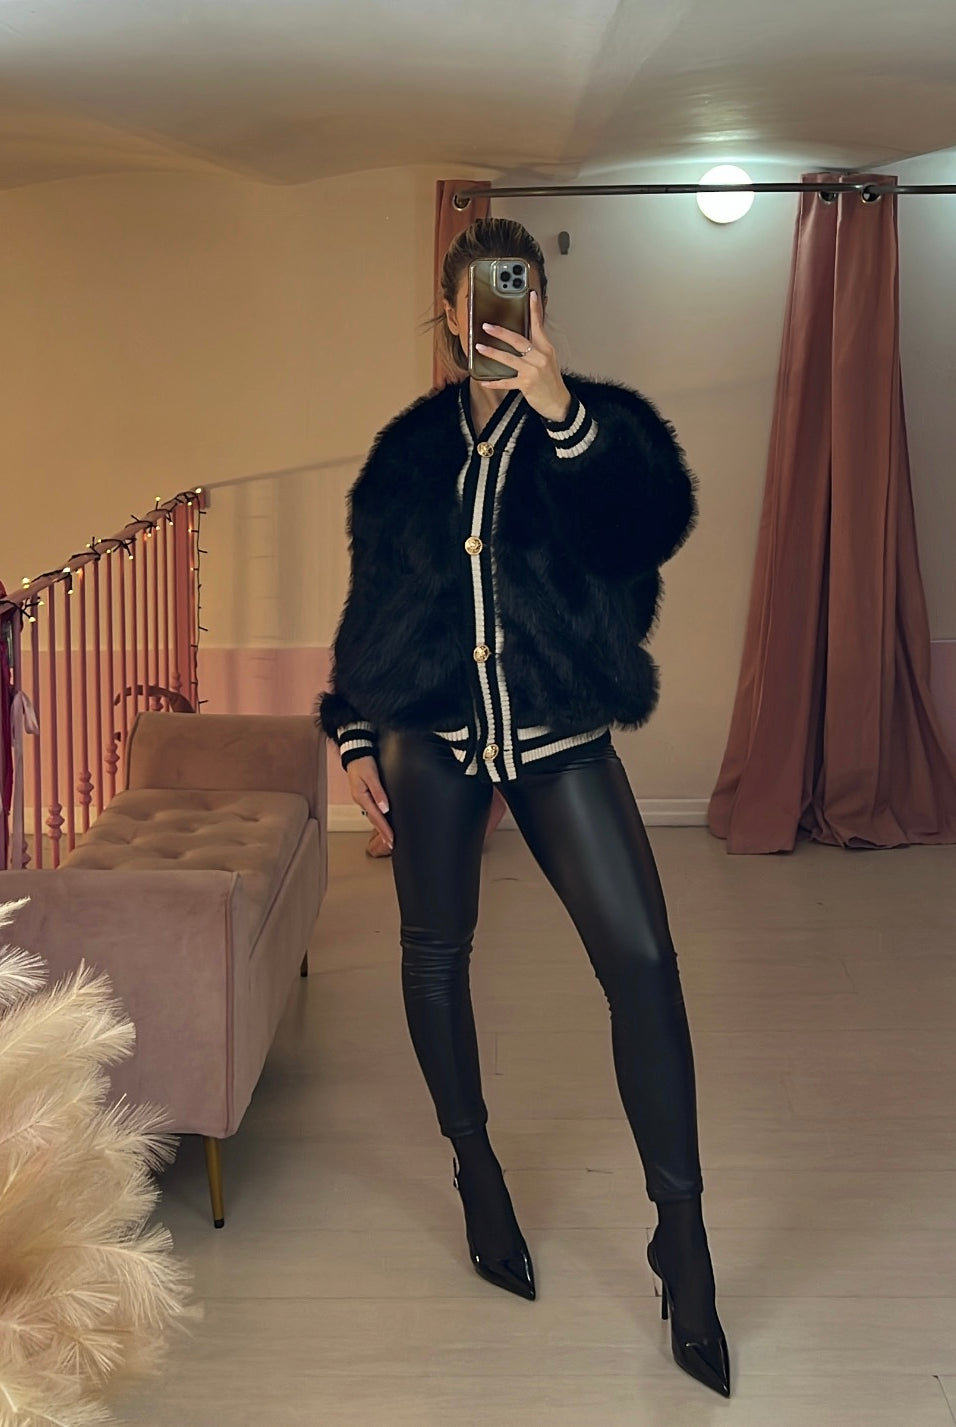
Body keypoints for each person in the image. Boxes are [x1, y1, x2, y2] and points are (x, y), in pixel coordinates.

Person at [318, 218, 730, 1398]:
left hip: (558, 735)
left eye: (521, 296)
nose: (500, 317)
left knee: (642, 961)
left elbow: (643, 530)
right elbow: (372, 594)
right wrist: (352, 726)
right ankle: (476, 1172)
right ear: (450, 315)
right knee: (433, 950)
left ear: (539, 309)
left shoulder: (598, 425)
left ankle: (682, 1240)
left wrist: (560, 412)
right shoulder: (407, 450)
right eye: (480, 301)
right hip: (428, 735)